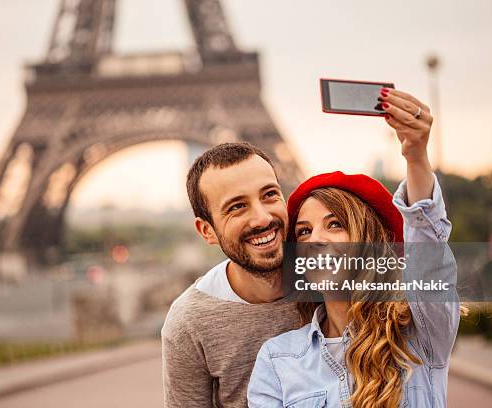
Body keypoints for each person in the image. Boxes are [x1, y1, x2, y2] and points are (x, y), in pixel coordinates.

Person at [247, 88, 462, 407]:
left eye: (335, 224)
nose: (316, 238)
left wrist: (416, 157)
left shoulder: (421, 333)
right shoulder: (277, 360)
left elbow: (427, 246)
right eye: (303, 231)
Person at [161, 142, 302, 407]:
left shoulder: (330, 278)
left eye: (270, 194)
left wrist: (409, 162)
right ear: (207, 231)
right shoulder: (188, 322)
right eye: (237, 207)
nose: (261, 218)